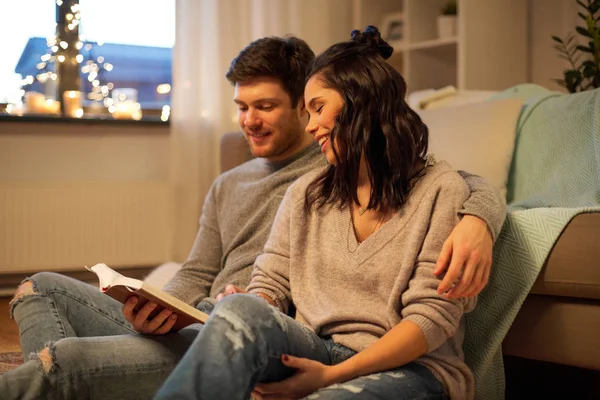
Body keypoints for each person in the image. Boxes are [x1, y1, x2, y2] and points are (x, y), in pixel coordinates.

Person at [0, 34, 503, 399]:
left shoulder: (418, 182)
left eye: (270, 106)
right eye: (242, 106)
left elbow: (456, 185)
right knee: (42, 288)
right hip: (228, 321)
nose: (249, 120)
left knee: (71, 366)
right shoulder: (274, 188)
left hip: (299, 343)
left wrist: (480, 213)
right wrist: (160, 314)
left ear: (358, 104)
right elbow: (227, 275)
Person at [153, 26, 491, 400]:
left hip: (412, 369)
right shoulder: (307, 193)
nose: (311, 125)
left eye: (318, 108)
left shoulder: (441, 191)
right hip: (313, 347)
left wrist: (331, 376)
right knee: (240, 307)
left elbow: (429, 319)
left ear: (361, 101)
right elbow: (271, 282)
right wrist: (252, 305)